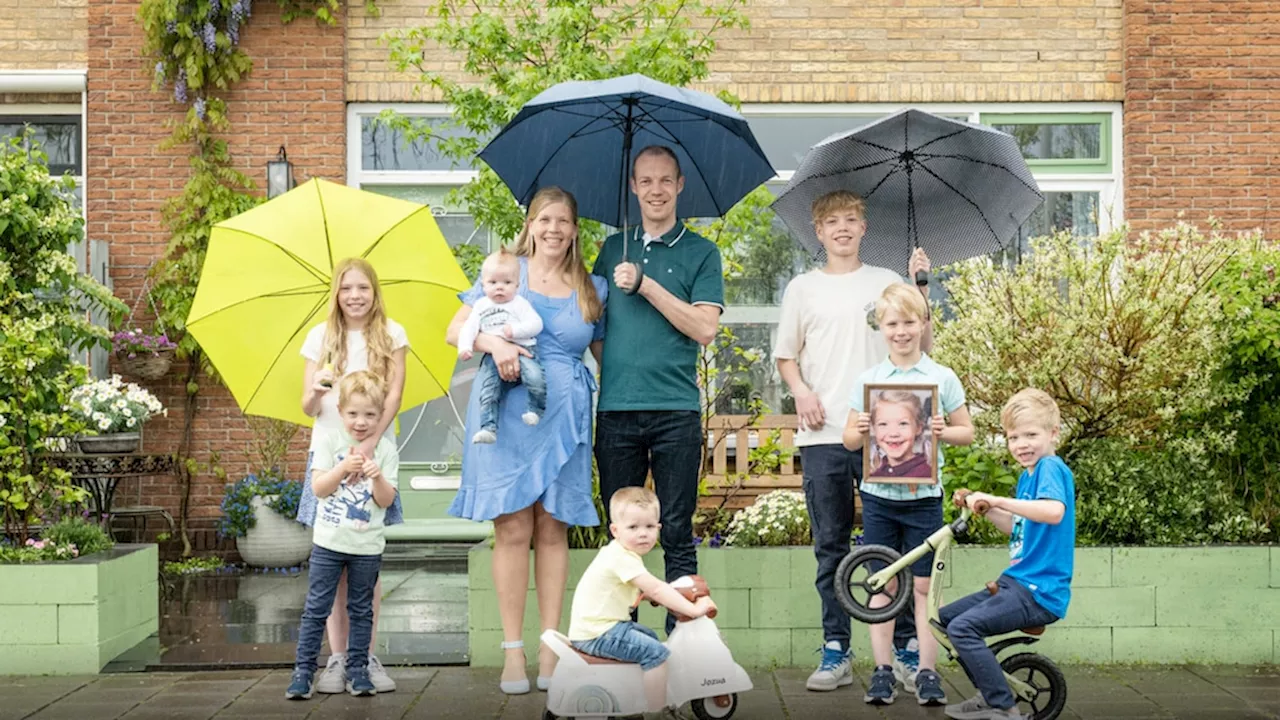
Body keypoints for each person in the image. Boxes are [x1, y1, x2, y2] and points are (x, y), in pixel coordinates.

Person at [446, 186, 607, 694]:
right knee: (513, 528)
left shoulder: (591, 285)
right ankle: (513, 653)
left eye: (562, 220)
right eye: (544, 219)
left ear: (575, 229)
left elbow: (604, 354)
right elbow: (457, 330)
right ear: (530, 225)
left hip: (564, 416)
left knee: (553, 529)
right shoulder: (504, 272)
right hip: (506, 411)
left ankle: (551, 648)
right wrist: (494, 343)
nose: (553, 229)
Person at [772, 190, 932, 693]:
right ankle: (836, 648)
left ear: (864, 227)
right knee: (830, 546)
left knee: (896, 549)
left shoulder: (887, 281)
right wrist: (800, 393)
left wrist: (920, 287)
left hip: (888, 438)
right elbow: (785, 356)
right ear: (818, 232)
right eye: (831, 221)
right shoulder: (802, 287)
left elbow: (921, 343)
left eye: (851, 219)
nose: (841, 228)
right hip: (823, 433)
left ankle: (905, 651)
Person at [592, 145, 723, 636]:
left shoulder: (702, 252)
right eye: (646, 181)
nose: (656, 190)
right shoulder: (611, 249)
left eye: (665, 180)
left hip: (676, 412)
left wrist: (645, 285)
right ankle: (620, 637)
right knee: (622, 539)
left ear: (680, 185)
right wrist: (623, 372)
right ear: (633, 187)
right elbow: (596, 329)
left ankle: (683, 637)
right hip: (617, 412)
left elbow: (704, 328)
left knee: (675, 532)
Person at [844, 282, 974, 706]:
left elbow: (966, 432)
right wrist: (860, 430)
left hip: (924, 501)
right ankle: (882, 671)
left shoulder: (941, 377)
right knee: (881, 585)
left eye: (909, 322)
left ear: (923, 324)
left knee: (923, 589)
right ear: (880, 328)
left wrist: (943, 432)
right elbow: (848, 441)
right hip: (879, 499)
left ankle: (927, 673)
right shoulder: (869, 380)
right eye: (892, 323)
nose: (901, 331)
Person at [298, 256, 407, 694]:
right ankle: (337, 658)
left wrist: (368, 445)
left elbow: (395, 395)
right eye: (347, 288)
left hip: (375, 455)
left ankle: (365, 655)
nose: (355, 296)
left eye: (363, 288)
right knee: (333, 560)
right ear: (336, 294)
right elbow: (306, 406)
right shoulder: (320, 338)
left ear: (374, 292)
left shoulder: (392, 334)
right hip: (329, 456)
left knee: (365, 562)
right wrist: (319, 387)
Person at [943, 389, 1075, 720]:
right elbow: (1018, 527)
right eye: (1013, 437)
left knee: (963, 629)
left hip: (1037, 591)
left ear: (1053, 433)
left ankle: (1002, 706)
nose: (1021, 444)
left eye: (1031, 434)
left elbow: (1053, 512)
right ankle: (990, 692)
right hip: (1015, 583)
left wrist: (999, 499)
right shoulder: (1027, 476)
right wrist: (983, 507)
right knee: (945, 622)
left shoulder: (1050, 468)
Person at [286, 371, 400, 700]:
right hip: (329, 544)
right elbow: (320, 488)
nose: (360, 422)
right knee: (316, 607)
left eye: (369, 415)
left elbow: (386, 500)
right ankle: (304, 671)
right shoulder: (328, 442)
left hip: (366, 546)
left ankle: (358, 669)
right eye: (353, 414)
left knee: (362, 609)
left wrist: (376, 477)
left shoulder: (387, 451)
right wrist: (342, 469)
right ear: (340, 411)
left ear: (381, 416)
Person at [568, 486, 716, 713]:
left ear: (658, 528)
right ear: (616, 530)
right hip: (599, 633)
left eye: (649, 526)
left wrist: (645, 596)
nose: (643, 533)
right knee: (656, 653)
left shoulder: (618, 553)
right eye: (633, 527)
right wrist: (694, 609)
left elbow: (642, 589)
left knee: (649, 637)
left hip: (600, 627)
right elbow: (657, 589)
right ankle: (657, 710)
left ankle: (633, 695)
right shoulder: (623, 558)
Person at [457, 247, 547, 443]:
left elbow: (536, 324)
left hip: (525, 351)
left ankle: (535, 408)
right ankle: (488, 427)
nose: (499, 287)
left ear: (517, 284)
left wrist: (515, 331)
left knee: (535, 378)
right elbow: (468, 328)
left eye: (506, 282)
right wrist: (465, 347)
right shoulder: (481, 306)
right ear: (483, 284)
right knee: (489, 389)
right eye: (493, 282)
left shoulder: (519, 304)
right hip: (492, 357)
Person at [867, 390, 934, 480]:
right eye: (883, 424)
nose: (893, 433)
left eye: (903, 424)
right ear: (874, 429)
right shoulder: (876, 475)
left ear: (918, 428)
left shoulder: (926, 474)